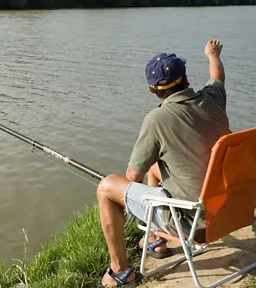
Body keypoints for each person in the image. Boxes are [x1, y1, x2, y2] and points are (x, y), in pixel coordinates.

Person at [95, 40, 231, 288]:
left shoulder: (156, 119)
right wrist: (212, 55)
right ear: (186, 78)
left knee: (106, 187)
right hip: (232, 210)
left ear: (152, 90)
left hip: (197, 224)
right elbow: (218, 77)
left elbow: (133, 176)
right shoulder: (214, 97)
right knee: (158, 168)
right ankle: (156, 238)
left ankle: (120, 272)